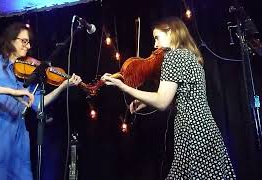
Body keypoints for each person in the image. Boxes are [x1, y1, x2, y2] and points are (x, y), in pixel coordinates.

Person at [101, 17, 236, 179]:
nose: (155, 45)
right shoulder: (190, 57)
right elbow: (184, 96)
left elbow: (162, 101)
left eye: (157, 38)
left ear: (171, 32)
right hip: (204, 132)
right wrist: (144, 101)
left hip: (192, 134)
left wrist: (123, 86)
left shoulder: (173, 58)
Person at [0, 22, 82, 180]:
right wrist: (9, 91)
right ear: (11, 40)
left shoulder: (27, 75)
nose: (28, 45)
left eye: (29, 42)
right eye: (24, 41)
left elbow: (38, 104)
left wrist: (63, 86)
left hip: (19, 133)